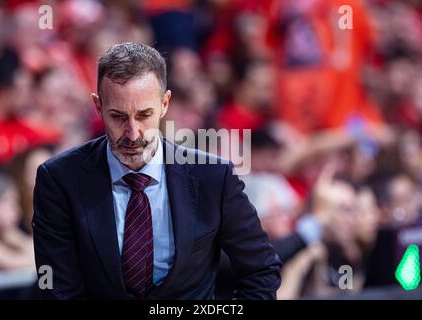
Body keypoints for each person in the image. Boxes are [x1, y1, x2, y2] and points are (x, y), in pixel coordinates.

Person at [32, 42, 282, 300]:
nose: (132, 133)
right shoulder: (59, 179)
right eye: (117, 116)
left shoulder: (213, 176)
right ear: (98, 107)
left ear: (165, 104)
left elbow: (261, 270)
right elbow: (56, 288)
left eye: (144, 115)